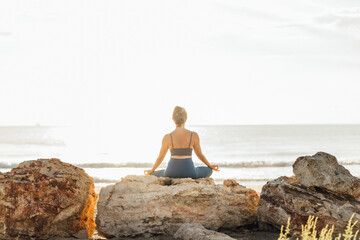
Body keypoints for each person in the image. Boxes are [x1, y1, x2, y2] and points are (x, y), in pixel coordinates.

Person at [144, 106, 219, 178]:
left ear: (173, 119)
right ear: (186, 119)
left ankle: (156, 172)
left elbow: (160, 157)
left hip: (171, 172)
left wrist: (152, 170)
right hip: (190, 172)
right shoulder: (194, 135)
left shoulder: (167, 137)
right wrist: (210, 166)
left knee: (156, 173)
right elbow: (199, 154)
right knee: (209, 170)